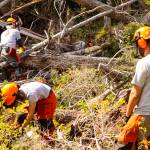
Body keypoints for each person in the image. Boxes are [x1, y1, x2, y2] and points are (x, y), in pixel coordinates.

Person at [117, 26, 150, 150]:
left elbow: (135, 94)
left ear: (142, 42)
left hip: (144, 114)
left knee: (123, 143)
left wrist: (127, 115)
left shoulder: (144, 63)